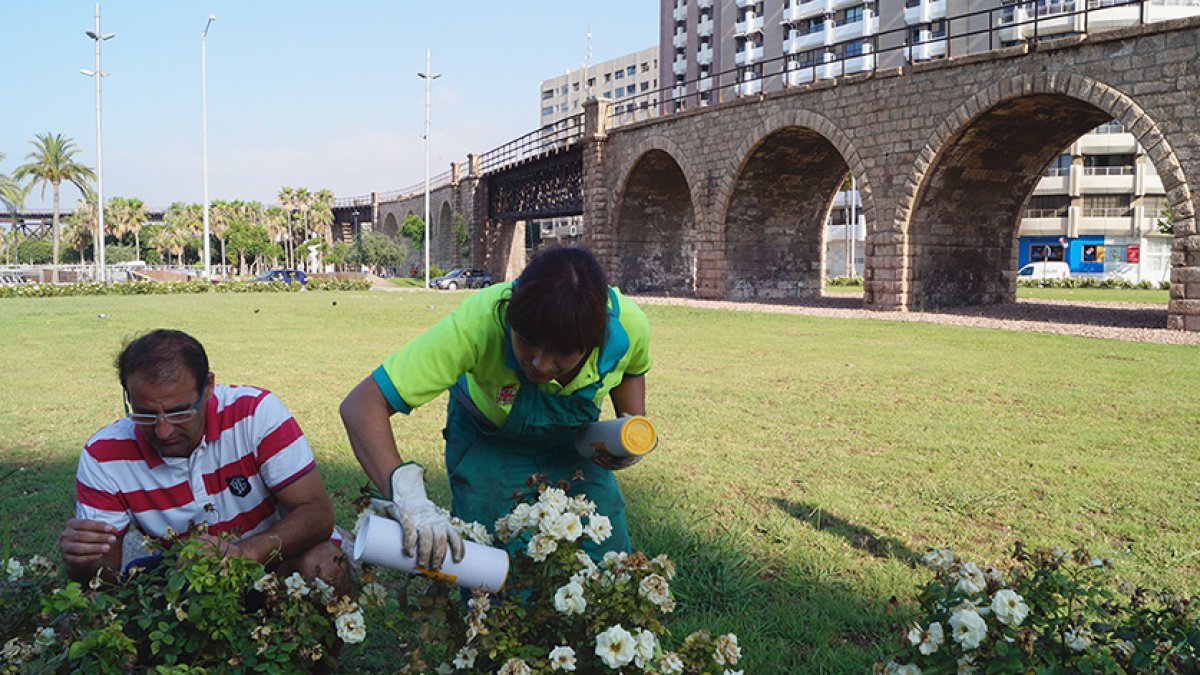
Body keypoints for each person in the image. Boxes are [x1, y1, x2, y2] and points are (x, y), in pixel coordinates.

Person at [341, 246, 651, 570]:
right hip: (488, 442)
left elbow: (633, 368)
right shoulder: (479, 320)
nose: (540, 364)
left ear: (595, 341)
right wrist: (410, 500)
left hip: (572, 448)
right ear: (510, 311)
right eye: (527, 340)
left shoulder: (628, 326)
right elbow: (362, 405)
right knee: (487, 569)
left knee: (608, 560)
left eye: (561, 352)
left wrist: (630, 429)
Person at [59, 329, 350, 595]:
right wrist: (82, 558)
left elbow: (318, 514)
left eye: (179, 412)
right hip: (186, 577)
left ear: (208, 386)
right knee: (78, 616)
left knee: (323, 565)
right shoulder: (104, 455)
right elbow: (103, 580)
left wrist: (244, 554)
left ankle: (320, 653)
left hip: (278, 560)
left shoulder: (254, 414)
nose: (163, 430)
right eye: (145, 414)